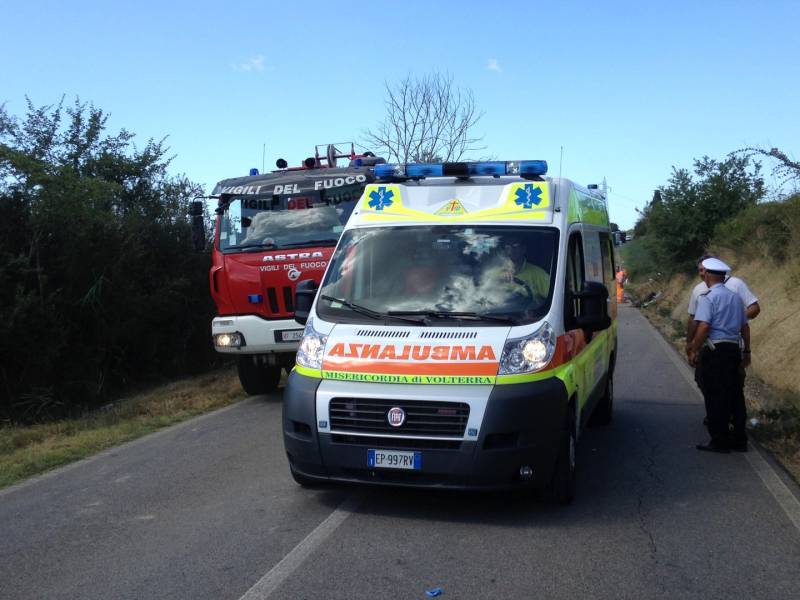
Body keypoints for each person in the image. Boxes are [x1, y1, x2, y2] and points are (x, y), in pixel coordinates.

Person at [687, 257, 751, 453]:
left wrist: (694, 349)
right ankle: (739, 439)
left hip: (715, 352)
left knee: (715, 396)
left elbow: (704, 326)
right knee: (734, 394)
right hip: (733, 350)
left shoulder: (708, 298)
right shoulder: (735, 298)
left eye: (703, 272)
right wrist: (747, 351)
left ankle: (719, 440)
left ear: (707, 275)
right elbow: (744, 327)